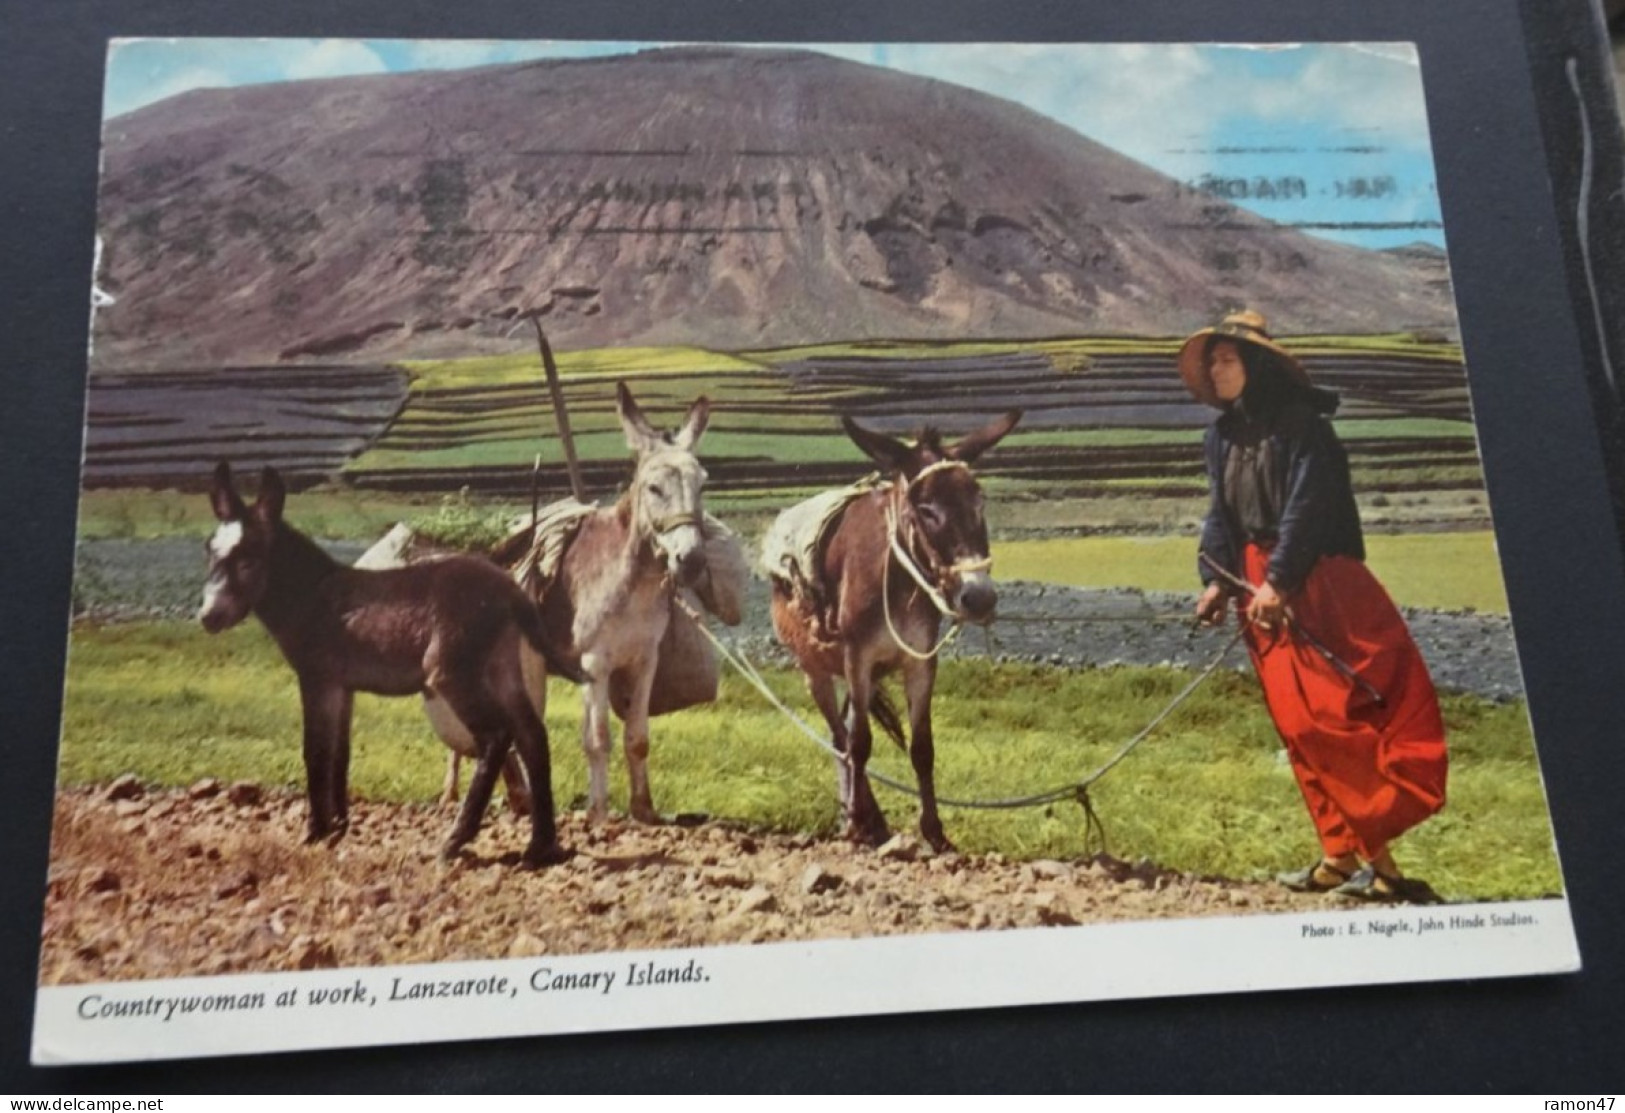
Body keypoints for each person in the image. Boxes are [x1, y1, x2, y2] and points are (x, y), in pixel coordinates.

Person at [1180, 310, 1448, 903]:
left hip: (1316, 582)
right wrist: (1217, 581)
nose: (1216, 370)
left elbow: (1308, 508)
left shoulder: (1304, 428)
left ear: (1254, 364)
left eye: (1226, 359)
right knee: (1293, 723)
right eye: (1212, 361)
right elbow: (1220, 514)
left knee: (1320, 719)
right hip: (1259, 583)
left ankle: (1385, 868)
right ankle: (1338, 852)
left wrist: (1278, 580)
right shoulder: (1219, 436)